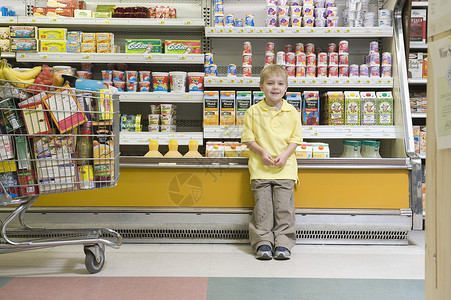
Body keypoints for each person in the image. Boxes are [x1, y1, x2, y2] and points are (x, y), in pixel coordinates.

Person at [241, 64, 303, 260]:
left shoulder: (292, 112)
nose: (275, 87)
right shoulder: (252, 111)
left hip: (285, 170)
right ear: (261, 86)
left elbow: (295, 139)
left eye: (280, 83)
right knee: (263, 208)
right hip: (260, 169)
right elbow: (248, 139)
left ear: (286, 88)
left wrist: (284, 156)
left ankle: (284, 243)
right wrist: (262, 152)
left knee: (284, 208)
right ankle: (263, 243)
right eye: (270, 83)